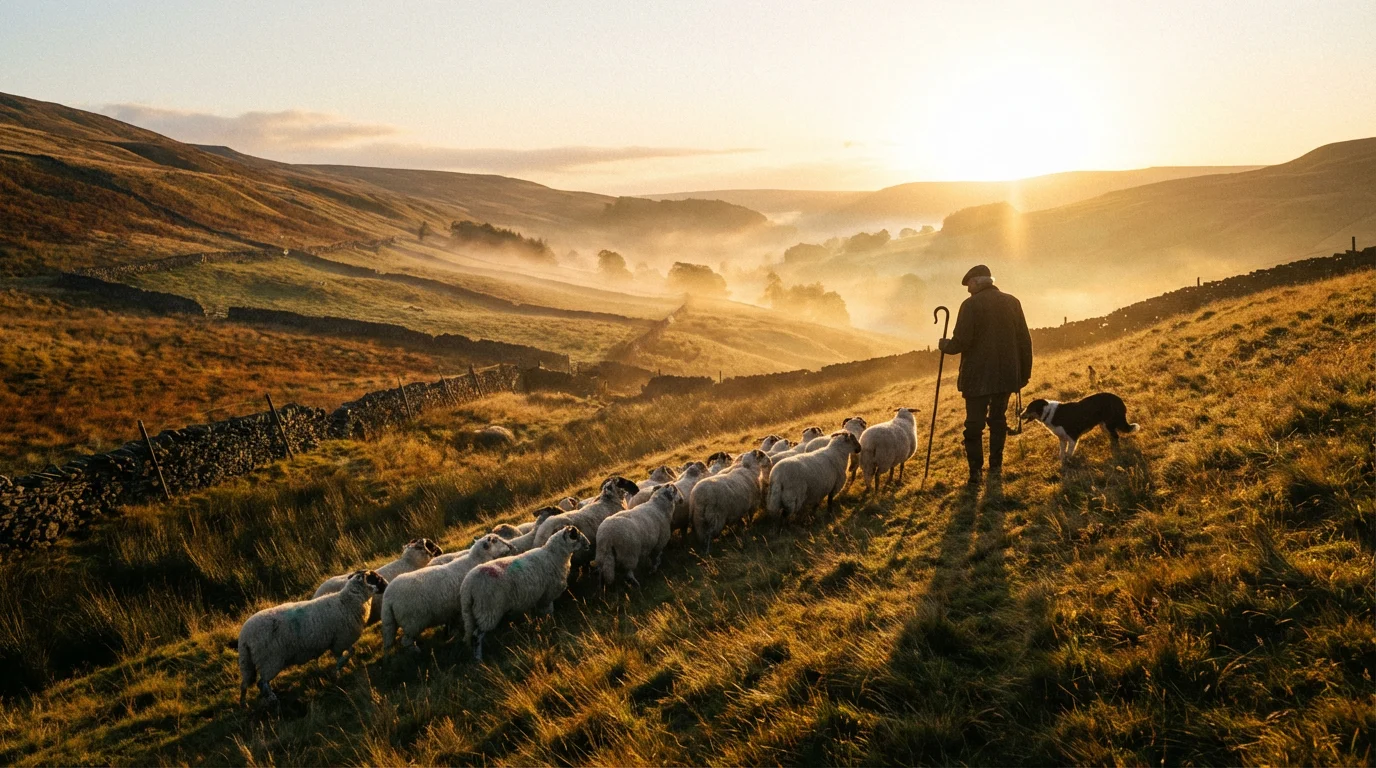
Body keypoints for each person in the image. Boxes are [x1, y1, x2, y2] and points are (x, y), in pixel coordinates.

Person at [938, 265, 1033, 489]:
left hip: (977, 378)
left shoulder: (970, 305)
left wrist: (945, 346)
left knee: (974, 424)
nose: (968, 289)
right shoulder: (1012, 302)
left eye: (969, 284)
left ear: (978, 282)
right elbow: (1024, 341)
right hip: (1006, 376)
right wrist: (1024, 374)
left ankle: (975, 473)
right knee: (998, 420)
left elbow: (962, 341)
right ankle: (996, 466)